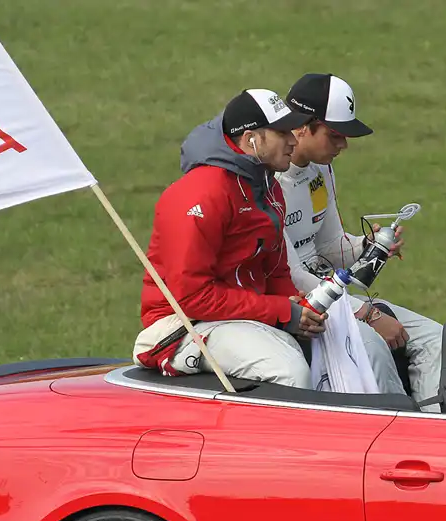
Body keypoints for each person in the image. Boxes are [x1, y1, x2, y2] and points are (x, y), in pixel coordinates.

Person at [132, 88, 326, 387]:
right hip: (180, 325)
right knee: (290, 371)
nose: (293, 140)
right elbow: (192, 297)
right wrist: (281, 311)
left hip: (241, 317)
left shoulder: (268, 186)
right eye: (282, 132)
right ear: (252, 139)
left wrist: (298, 308)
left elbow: (275, 272)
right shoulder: (201, 194)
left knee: (352, 345)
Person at [275, 72, 443, 406]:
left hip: (335, 297)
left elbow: (329, 245)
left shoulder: (320, 169)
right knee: (372, 347)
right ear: (301, 127)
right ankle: (398, 436)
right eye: (334, 135)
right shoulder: (269, 181)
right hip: (304, 308)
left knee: (436, 338)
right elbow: (293, 278)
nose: (343, 145)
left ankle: (437, 426)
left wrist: (369, 246)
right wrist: (369, 313)